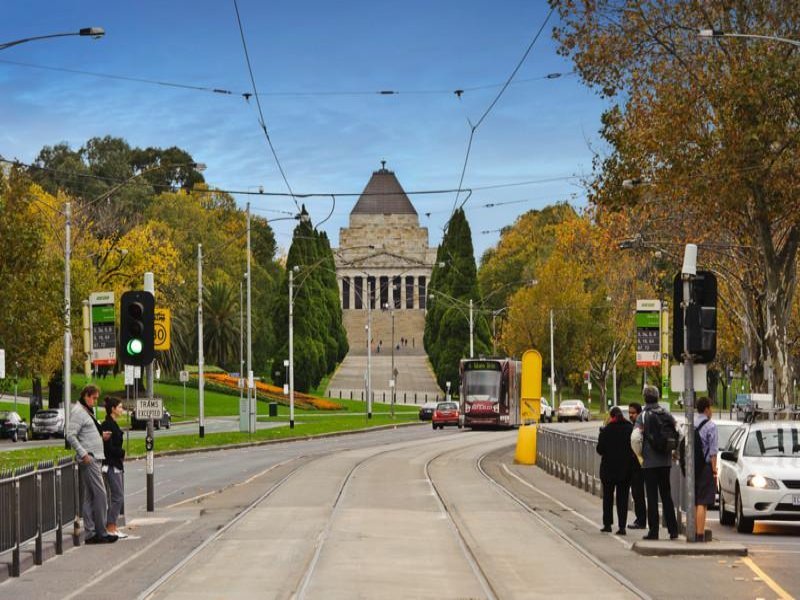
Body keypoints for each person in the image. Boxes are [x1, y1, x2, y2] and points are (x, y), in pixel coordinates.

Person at [66, 385, 118, 544]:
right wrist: (83, 453)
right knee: (101, 494)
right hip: (90, 458)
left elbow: (86, 432)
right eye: (94, 398)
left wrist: (101, 436)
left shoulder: (87, 411)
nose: (95, 401)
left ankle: (90, 533)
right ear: (86, 396)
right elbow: (70, 434)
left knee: (89, 497)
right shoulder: (79, 412)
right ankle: (101, 531)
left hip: (94, 456)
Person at [630, 385, 679, 540]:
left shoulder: (643, 416)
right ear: (657, 397)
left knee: (651, 497)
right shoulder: (666, 413)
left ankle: (654, 531)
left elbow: (635, 438)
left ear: (645, 398)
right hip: (665, 461)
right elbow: (679, 432)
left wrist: (640, 454)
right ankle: (673, 530)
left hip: (649, 463)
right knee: (666, 495)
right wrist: (673, 451)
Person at [596, 406, 634, 535]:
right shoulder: (630, 429)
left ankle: (607, 524)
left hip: (608, 469)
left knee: (608, 497)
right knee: (622, 499)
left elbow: (600, 449)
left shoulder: (606, 430)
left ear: (611, 417)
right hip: (625, 469)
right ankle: (622, 526)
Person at [102, 397, 128, 539]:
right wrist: (122, 453)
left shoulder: (113, 424)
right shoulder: (108, 424)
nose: (121, 409)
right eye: (119, 407)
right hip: (111, 464)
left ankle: (113, 526)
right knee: (117, 496)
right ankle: (110, 526)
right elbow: (109, 447)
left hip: (115, 463)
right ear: (112, 409)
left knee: (116, 496)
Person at [693, 396, 718, 541]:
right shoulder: (711, 426)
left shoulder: (691, 423)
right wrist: (714, 470)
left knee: (695, 501)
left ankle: (695, 530)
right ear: (707, 409)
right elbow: (713, 451)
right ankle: (700, 534)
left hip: (692, 467)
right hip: (705, 467)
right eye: (711, 408)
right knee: (702, 502)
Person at [627, 402, 647, 530]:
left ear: (639, 413)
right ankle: (640, 518)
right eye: (629, 413)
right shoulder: (633, 426)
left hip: (640, 465)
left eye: (633, 413)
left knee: (639, 493)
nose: (630, 415)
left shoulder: (640, 428)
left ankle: (641, 520)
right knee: (636, 493)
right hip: (636, 465)